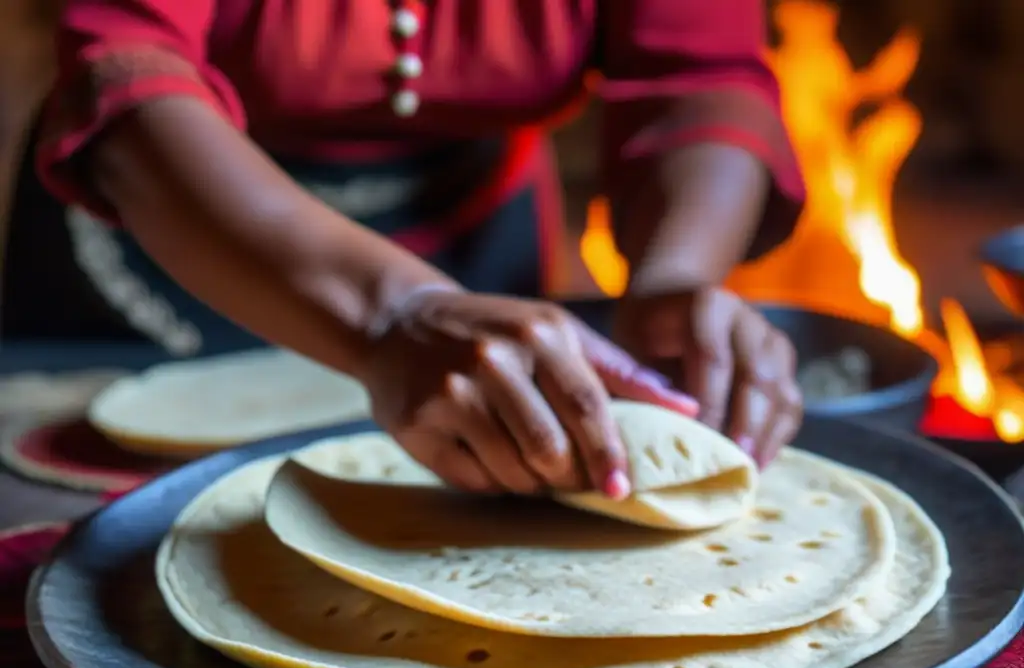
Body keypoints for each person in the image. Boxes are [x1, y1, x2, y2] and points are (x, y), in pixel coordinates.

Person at [36, 0, 807, 501]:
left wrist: (676, 275)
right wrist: (398, 314)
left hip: (479, 238)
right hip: (175, 228)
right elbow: (127, 68)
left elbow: (698, 73)